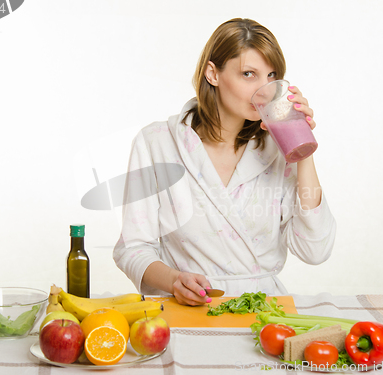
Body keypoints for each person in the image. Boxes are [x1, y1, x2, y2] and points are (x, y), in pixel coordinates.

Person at [113, 18, 336, 306]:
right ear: (212, 74)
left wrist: (302, 149)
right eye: (248, 74)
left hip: (264, 312)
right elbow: (132, 249)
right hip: (188, 309)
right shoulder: (157, 143)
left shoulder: (279, 149)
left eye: (271, 76)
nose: (264, 89)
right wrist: (173, 280)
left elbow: (315, 250)